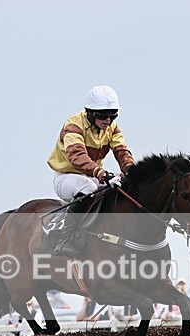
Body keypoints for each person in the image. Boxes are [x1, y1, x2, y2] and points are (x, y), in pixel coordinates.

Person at [47, 85, 135, 257]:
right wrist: (101, 173)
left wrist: (131, 170)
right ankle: (63, 241)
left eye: (113, 115)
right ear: (90, 113)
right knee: (88, 188)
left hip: (91, 175)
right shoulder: (73, 126)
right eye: (103, 115)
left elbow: (121, 151)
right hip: (66, 177)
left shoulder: (112, 127)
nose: (108, 120)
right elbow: (76, 156)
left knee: (119, 186)